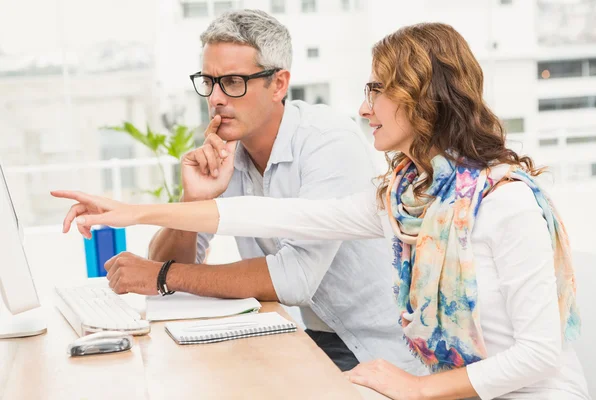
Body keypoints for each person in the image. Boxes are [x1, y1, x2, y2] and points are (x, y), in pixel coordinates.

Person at [52, 22, 590, 399]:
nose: (362, 108)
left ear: (426, 98)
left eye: (378, 90)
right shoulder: (405, 196)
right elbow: (278, 217)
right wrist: (134, 211)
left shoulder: (506, 202)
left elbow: (540, 355)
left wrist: (419, 387)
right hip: (451, 389)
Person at [57, 10, 426, 375]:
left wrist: (162, 275)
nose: (216, 98)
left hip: (380, 349)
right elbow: (170, 263)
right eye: (209, 81)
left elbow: (293, 279)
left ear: (279, 84)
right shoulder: (224, 154)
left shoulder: (328, 139)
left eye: (233, 81)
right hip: (307, 335)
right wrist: (194, 200)